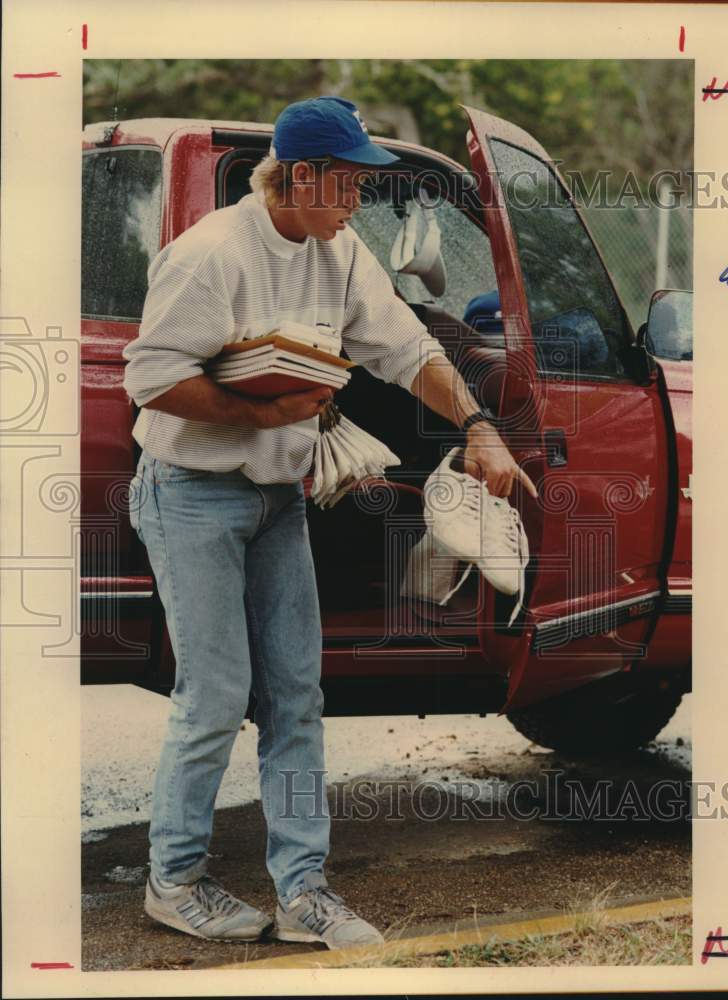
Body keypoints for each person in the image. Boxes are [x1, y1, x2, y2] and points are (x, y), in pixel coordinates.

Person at [123, 95, 534, 950]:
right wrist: (261, 413)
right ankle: (176, 880)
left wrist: (478, 427)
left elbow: (410, 351)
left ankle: (304, 890)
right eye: (346, 185)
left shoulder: (338, 251)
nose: (357, 204)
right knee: (214, 697)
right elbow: (151, 379)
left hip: (277, 500)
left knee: (297, 697)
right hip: (190, 490)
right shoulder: (210, 255)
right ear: (299, 175)